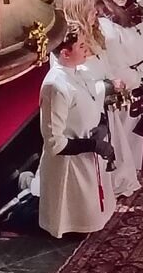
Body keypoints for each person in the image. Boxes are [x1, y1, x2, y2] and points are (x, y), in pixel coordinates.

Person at [37, 27, 116, 238]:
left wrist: (101, 125)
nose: (87, 49)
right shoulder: (55, 86)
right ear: (65, 53)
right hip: (69, 165)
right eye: (81, 46)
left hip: (88, 158)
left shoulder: (80, 73)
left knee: (96, 210)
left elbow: (92, 101)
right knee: (76, 219)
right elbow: (55, 142)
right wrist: (93, 145)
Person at [62, 0, 140, 198]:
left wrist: (113, 82)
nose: (95, 12)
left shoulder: (93, 34)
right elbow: (77, 85)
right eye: (89, 10)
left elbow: (102, 65)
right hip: (88, 113)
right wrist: (106, 86)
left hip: (104, 104)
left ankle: (116, 182)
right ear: (77, 12)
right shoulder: (70, 46)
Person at [96, 0, 143, 173]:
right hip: (130, 81)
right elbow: (115, 61)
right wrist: (138, 82)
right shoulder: (107, 24)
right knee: (132, 127)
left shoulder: (135, 13)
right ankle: (133, 166)